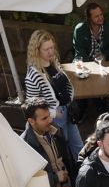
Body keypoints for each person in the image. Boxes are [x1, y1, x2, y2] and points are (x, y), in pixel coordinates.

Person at [21, 100, 80, 187]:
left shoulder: (56, 131)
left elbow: (67, 159)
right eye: (44, 118)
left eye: (49, 116)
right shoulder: (24, 146)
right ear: (31, 121)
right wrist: (55, 177)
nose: (50, 120)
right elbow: (29, 181)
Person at [22, 28, 81, 157]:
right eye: (46, 49)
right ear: (37, 50)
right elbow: (32, 105)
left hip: (68, 110)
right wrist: (54, 113)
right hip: (55, 117)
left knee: (78, 146)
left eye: (52, 47)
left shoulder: (53, 61)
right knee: (64, 150)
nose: (51, 52)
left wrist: (70, 99)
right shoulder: (33, 75)